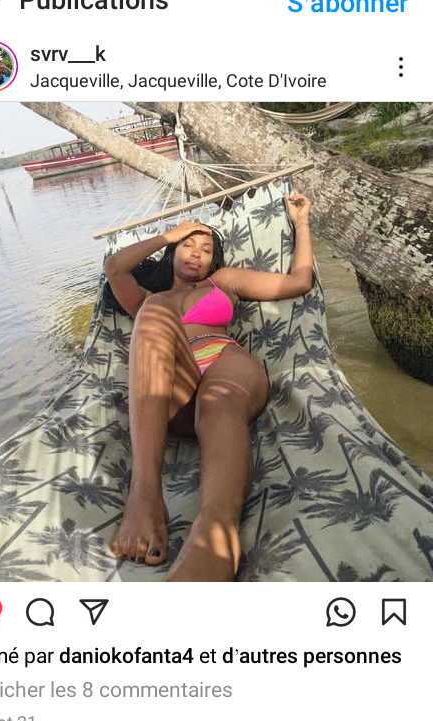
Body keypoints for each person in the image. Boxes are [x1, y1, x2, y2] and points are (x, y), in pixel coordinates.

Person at [106, 191, 313, 582]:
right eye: (188, 244)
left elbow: (299, 282)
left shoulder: (223, 281)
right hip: (174, 391)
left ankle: (215, 536)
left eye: (206, 249)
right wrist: (170, 235)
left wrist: (301, 222)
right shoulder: (149, 298)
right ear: (172, 250)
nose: (197, 253)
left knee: (219, 401)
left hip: (225, 363)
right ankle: (145, 496)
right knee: (153, 311)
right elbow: (115, 267)